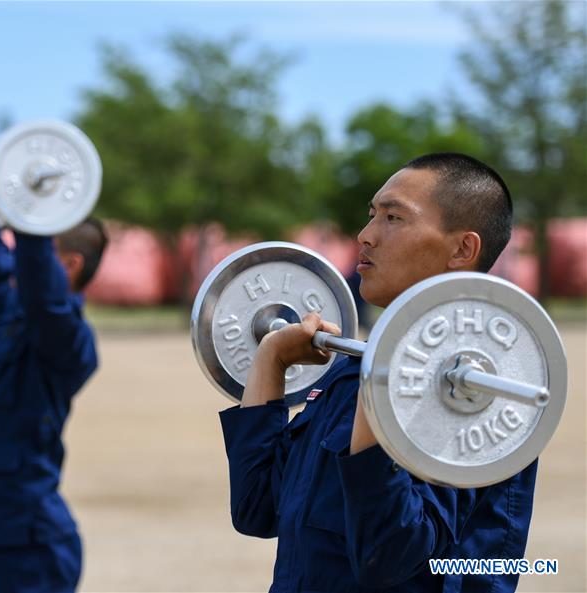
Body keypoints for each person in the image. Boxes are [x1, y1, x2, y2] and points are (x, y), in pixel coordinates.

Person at [222, 153, 533, 593]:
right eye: (372, 215)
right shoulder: (356, 368)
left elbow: (393, 557)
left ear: (462, 249)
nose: (365, 236)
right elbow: (257, 508)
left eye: (393, 217)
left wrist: (381, 394)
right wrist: (271, 359)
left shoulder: (473, 388)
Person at [0, 177, 107, 593]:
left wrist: (30, 214)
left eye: (36, 255)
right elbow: (1, 274)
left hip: (30, 546)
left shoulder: (67, 339)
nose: (23, 263)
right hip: (0, 533)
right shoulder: (15, 317)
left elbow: (43, 294)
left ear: (69, 266)